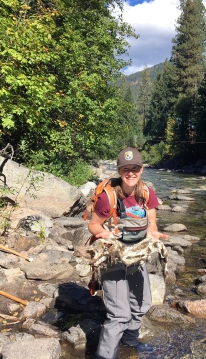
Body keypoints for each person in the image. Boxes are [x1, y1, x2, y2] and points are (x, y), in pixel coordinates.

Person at [88, 147, 168, 359]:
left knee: (142, 304)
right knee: (120, 314)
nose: (130, 173)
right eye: (126, 169)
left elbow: (151, 224)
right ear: (119, 170)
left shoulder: (147, 194)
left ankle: (129, 343)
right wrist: (105, 235)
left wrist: (154, 235)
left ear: (141, 169)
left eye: (135, 168)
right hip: (113, 256)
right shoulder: (109, 197)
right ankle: (105, 355)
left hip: (136, 256)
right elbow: (93, 225)